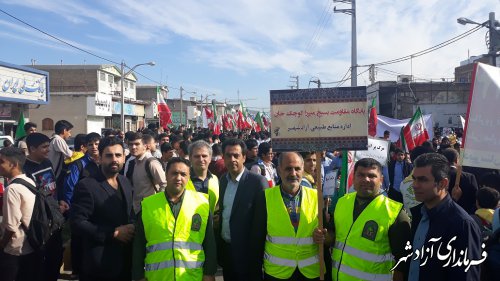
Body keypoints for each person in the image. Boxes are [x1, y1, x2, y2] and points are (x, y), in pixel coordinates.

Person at [314, 157, 411, 281]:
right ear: (353, 178)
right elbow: (333, 238)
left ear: (381, 180)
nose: (366, 179)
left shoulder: (395, 213)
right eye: (361, 175)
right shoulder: (342, 202)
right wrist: (323, 237)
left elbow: (403, 262)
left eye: (372, 176)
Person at [131, 157, 217, 281]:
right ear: (166, 175)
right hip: (158, 277)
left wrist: (209, 273)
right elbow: (139, 244)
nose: (178, 178)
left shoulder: (201, 204)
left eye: (183, 174)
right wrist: (139, 275)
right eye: (174, 173)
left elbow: (209, 243)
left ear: (188, 178)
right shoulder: (148, 205)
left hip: (192, 276)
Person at [408, 153, 482, 281]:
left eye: (423, 180)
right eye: (414, 179)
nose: (415, 185)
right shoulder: (418, 214)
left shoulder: (462, 224)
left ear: (442, 183)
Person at [70, 137, 135, 281]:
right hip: (99, 266)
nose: (114, 159)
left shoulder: (124, 181)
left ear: (124, 157)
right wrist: (113, 233)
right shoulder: (87, 185)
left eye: (118, 155)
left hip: (124, 263)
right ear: (99, 158)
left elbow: (128, 213)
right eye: (109, 155)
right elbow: (77, 223)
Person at [255, 152, 321, 281]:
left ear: (303, 170)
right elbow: (257, 239)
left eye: (297, 169)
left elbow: (328, 235)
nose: (293, 173)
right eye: (288, 169)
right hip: (277, 273)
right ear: (279, 170)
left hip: (310, 272)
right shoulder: (265, 197)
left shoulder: (317, 196)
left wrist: (324, 235)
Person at [217, 138, 268, 280]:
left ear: (244, 157)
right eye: (228, 155)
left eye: (236, 155)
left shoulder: (257, 182)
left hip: (248, 256)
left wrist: (256, 256)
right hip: (227, 252)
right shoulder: (223, 181)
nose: (232, 159)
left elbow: (261, 224)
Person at [24, 133, 64, 281]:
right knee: (41, 260)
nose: (48, 150)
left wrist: (59, 203)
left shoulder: (47, 163)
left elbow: (52, 187)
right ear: (32, 149)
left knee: (56, 256)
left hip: (55, 217)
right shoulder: (25, 168)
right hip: (39, 221)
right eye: (44, 147)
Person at [0, 147, 40, 281]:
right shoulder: (28, 181)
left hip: (15, 250)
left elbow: (11, 226)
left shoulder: (12, 189)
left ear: (14, 165)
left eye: (1, 162)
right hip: (31, 246)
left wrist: (1, 245)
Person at [127, 132, 167, 214]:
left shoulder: (151, 162)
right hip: (138, 209)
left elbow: (165, 184)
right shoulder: (134, 162)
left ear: (145, 146)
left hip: (151, 210)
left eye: (137, 144)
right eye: (131, 144)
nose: (133, 147)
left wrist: (157, 203)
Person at [441, 148, 479, 214]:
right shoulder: (469, 177)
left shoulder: (437, 176)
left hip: (441, 213)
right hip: (465, 213)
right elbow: (475, 199)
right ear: (456, 160)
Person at [186, 140, 220, 214]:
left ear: (210, 158)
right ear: (190, 158)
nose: (201, 159)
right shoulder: (182, 180)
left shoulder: (215, 179)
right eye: (197, 156)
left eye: (204, 156)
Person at [48, 120, 74, 185]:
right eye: (69, 132)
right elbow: (70, 155)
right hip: (53, 175)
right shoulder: (58, 140)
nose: (70, 135)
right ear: (64, 131)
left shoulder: (53, 138)